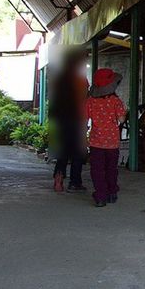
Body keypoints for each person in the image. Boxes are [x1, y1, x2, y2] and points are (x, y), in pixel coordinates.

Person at [49, 51, 89, 192]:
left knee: (64, 151)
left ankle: (58, 179)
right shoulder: (80, 80)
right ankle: (74, 182)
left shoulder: (59, 79)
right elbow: (84, 99)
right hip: (77, 119)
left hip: (62, 120)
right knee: (77, 152)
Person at [86, 68, 126, 207]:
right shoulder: (116, 101)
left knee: (97, 170)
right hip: (112, 143)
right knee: (111, 168)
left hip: (96, 142)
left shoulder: (90, 101)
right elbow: (121, 119)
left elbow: (84, 119)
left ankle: (101, 196)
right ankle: (112, 193)